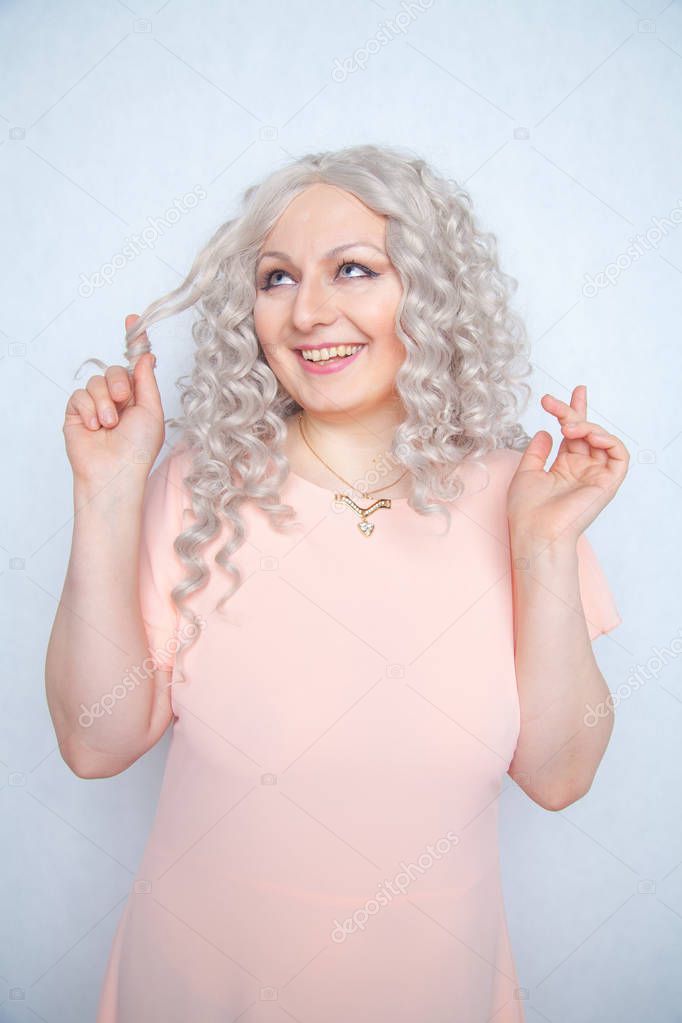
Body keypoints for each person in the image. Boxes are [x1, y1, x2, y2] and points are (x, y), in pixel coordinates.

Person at [45, 144, 627, 1022]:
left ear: (430, 294)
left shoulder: (526, 497)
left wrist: (544, 547)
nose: (308, 312)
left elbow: (559, 775)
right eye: (276, 279)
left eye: (352, 270)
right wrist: (108, 491)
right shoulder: (200, 487)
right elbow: (95, 743)